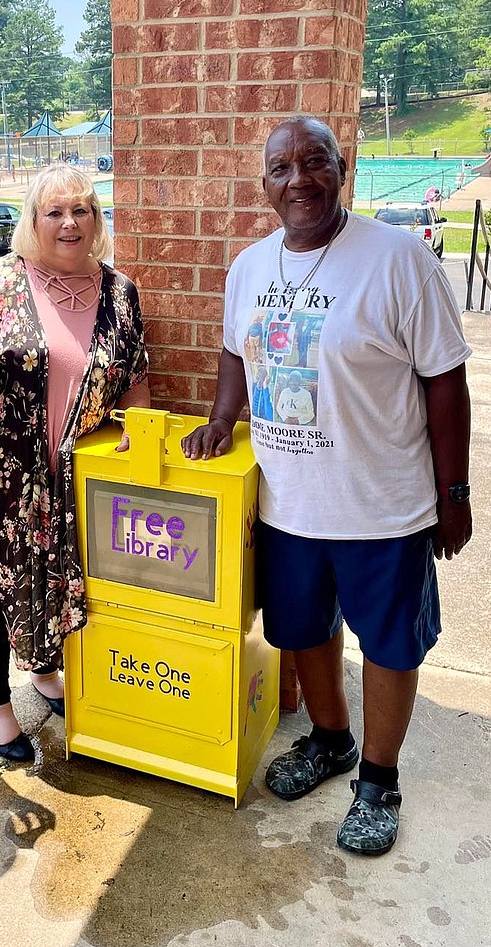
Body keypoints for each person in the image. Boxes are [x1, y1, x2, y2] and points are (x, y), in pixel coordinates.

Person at [182, 116, 472, 856]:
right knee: (301, 631)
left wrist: (455, 494)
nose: (299, 179)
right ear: (265, 184)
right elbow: (233, 353)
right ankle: (332, 740)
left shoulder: (398, 260)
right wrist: (221, 419)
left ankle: (379, 778)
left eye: (315, 162)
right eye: (282, 167)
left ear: (342, 169)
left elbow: (445, 381)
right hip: (289, 503)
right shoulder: (249, 266)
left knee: (389, 645)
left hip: (384, 504)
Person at [0, 165, 150, 762]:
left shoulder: (120, 292)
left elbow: (135, 374)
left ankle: (42, 671)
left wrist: (138, 438)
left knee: (58, 585)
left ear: (97, 221)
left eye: (82, 211)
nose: (69, 223)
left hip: (78, 479)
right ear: (34, 221)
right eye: (55, 212)